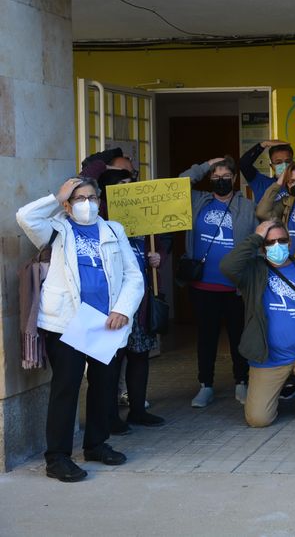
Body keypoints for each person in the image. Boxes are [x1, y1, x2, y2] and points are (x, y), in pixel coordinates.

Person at [16, 177, 145, 482]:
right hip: (67, 322)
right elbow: (25, 217)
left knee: (103, 385)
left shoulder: (113, 230)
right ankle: (57, 457)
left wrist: (122, 309)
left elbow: (133, 275)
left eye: (92, 197)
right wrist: (56, 196)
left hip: (105, 322)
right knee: (66, 387)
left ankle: (96, 445)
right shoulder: (56, 229)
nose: (87, 203)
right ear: (67, 205)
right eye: (79, 198)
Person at [220, 220, 295, 427]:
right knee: (258, 420)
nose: (277, 245)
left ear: (290, 242)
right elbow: (227, 266)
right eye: (270, 242)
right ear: (262, 247)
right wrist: (256, 237)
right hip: (268, 358)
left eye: (282, 240)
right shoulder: (253, 271)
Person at [93, 166, 167, 431]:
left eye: (130, 183)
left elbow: (157, 246)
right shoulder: (100, 222)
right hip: (113, 304)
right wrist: (109, 159)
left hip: (140, 302)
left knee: (139, 356)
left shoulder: (142, 217)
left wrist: (158, 256)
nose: (129, 189)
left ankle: (137, 410)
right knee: (112, 361)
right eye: (122, 185)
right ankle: (109, 416)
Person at [180, 156, 257, 408]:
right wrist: (204, 166)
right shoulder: (198, 201)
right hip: (203, 285)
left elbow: (257, 242)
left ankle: (241, 381)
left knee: (238, 337)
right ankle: (206, 385)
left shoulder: (247, 206)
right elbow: (178, 184)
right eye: (215, 177)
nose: (220, 181)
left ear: (234, 178)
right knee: (206, 337)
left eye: (225, 177)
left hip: (236, 287)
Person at [256, 161, 295, 254]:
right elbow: (262, 212)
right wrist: (279, 182)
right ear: (288, 185)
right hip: (292, 259)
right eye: (292, 181)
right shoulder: (286, 203)